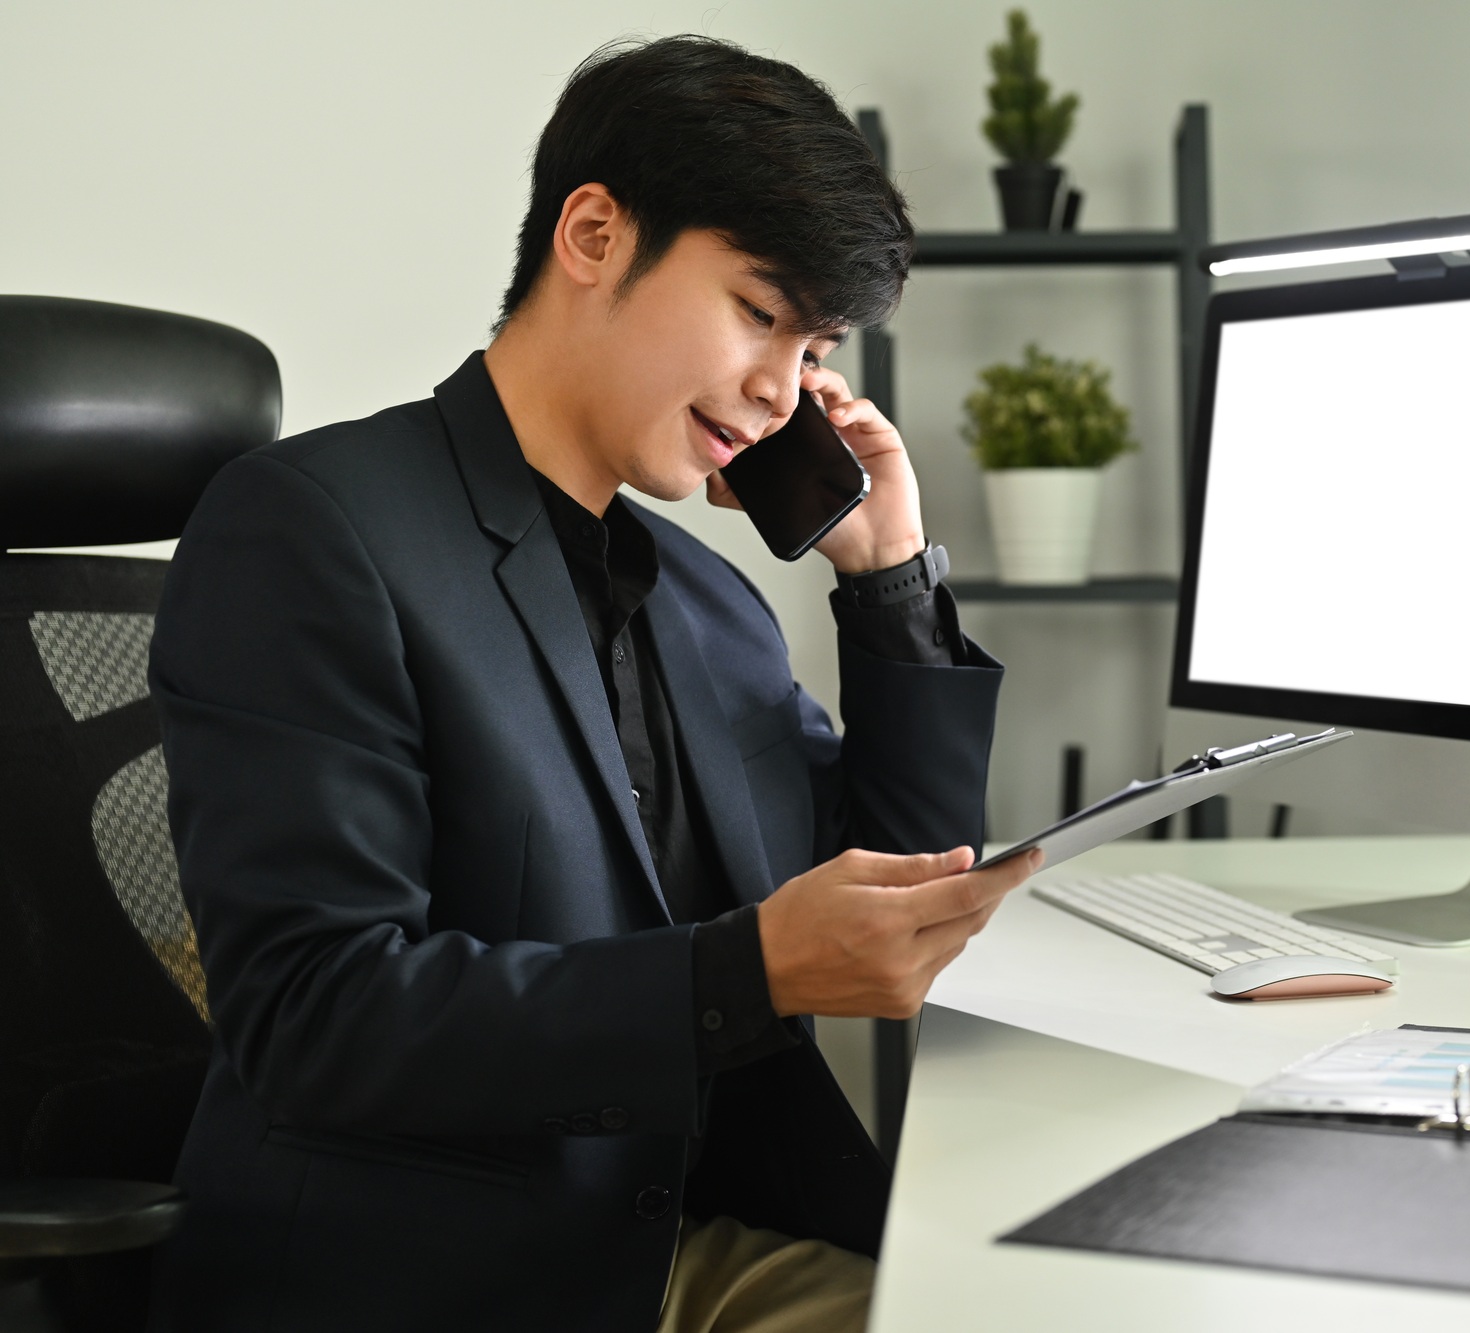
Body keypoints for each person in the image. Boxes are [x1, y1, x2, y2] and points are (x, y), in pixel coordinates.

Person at [147, 35, 1038, 1333]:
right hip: (438, 1280)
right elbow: (316, 1017)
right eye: (757, 311)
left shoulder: (709, 602)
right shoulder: (313, 530)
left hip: (670, 1239)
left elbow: (905, 883)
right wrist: (740, 972)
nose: (778, 388)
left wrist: (885, 569)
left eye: (812, 344)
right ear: (594, 234)